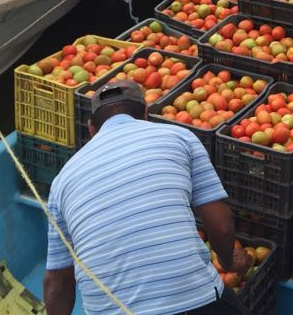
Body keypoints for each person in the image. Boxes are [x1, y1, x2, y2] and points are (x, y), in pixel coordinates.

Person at [42, 81, 250, 315]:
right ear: (145, 114)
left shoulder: (61, 182)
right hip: (195, 301)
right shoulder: (180, 136)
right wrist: (229, 262)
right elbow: (221, 226)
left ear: (91, 129)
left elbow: (57, 285)